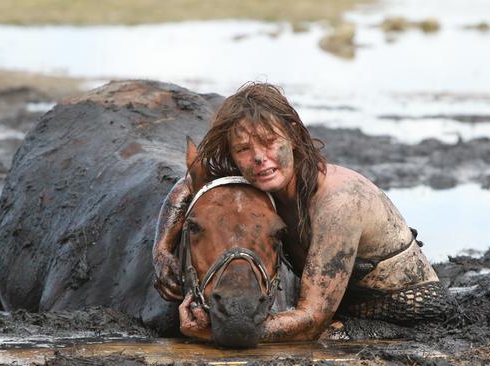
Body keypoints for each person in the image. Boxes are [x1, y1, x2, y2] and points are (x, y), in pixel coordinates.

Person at [152, 82, 449, 342]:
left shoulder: (339, 201)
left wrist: (218, 331)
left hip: (405, 315)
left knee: (320, 339)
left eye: (270, 142)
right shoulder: (263, 176)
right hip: (340, 307)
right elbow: (189, 186)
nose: (258, 157)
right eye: (243, 149)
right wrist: (162, 249)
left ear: (292, 135)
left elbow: (311, 321)